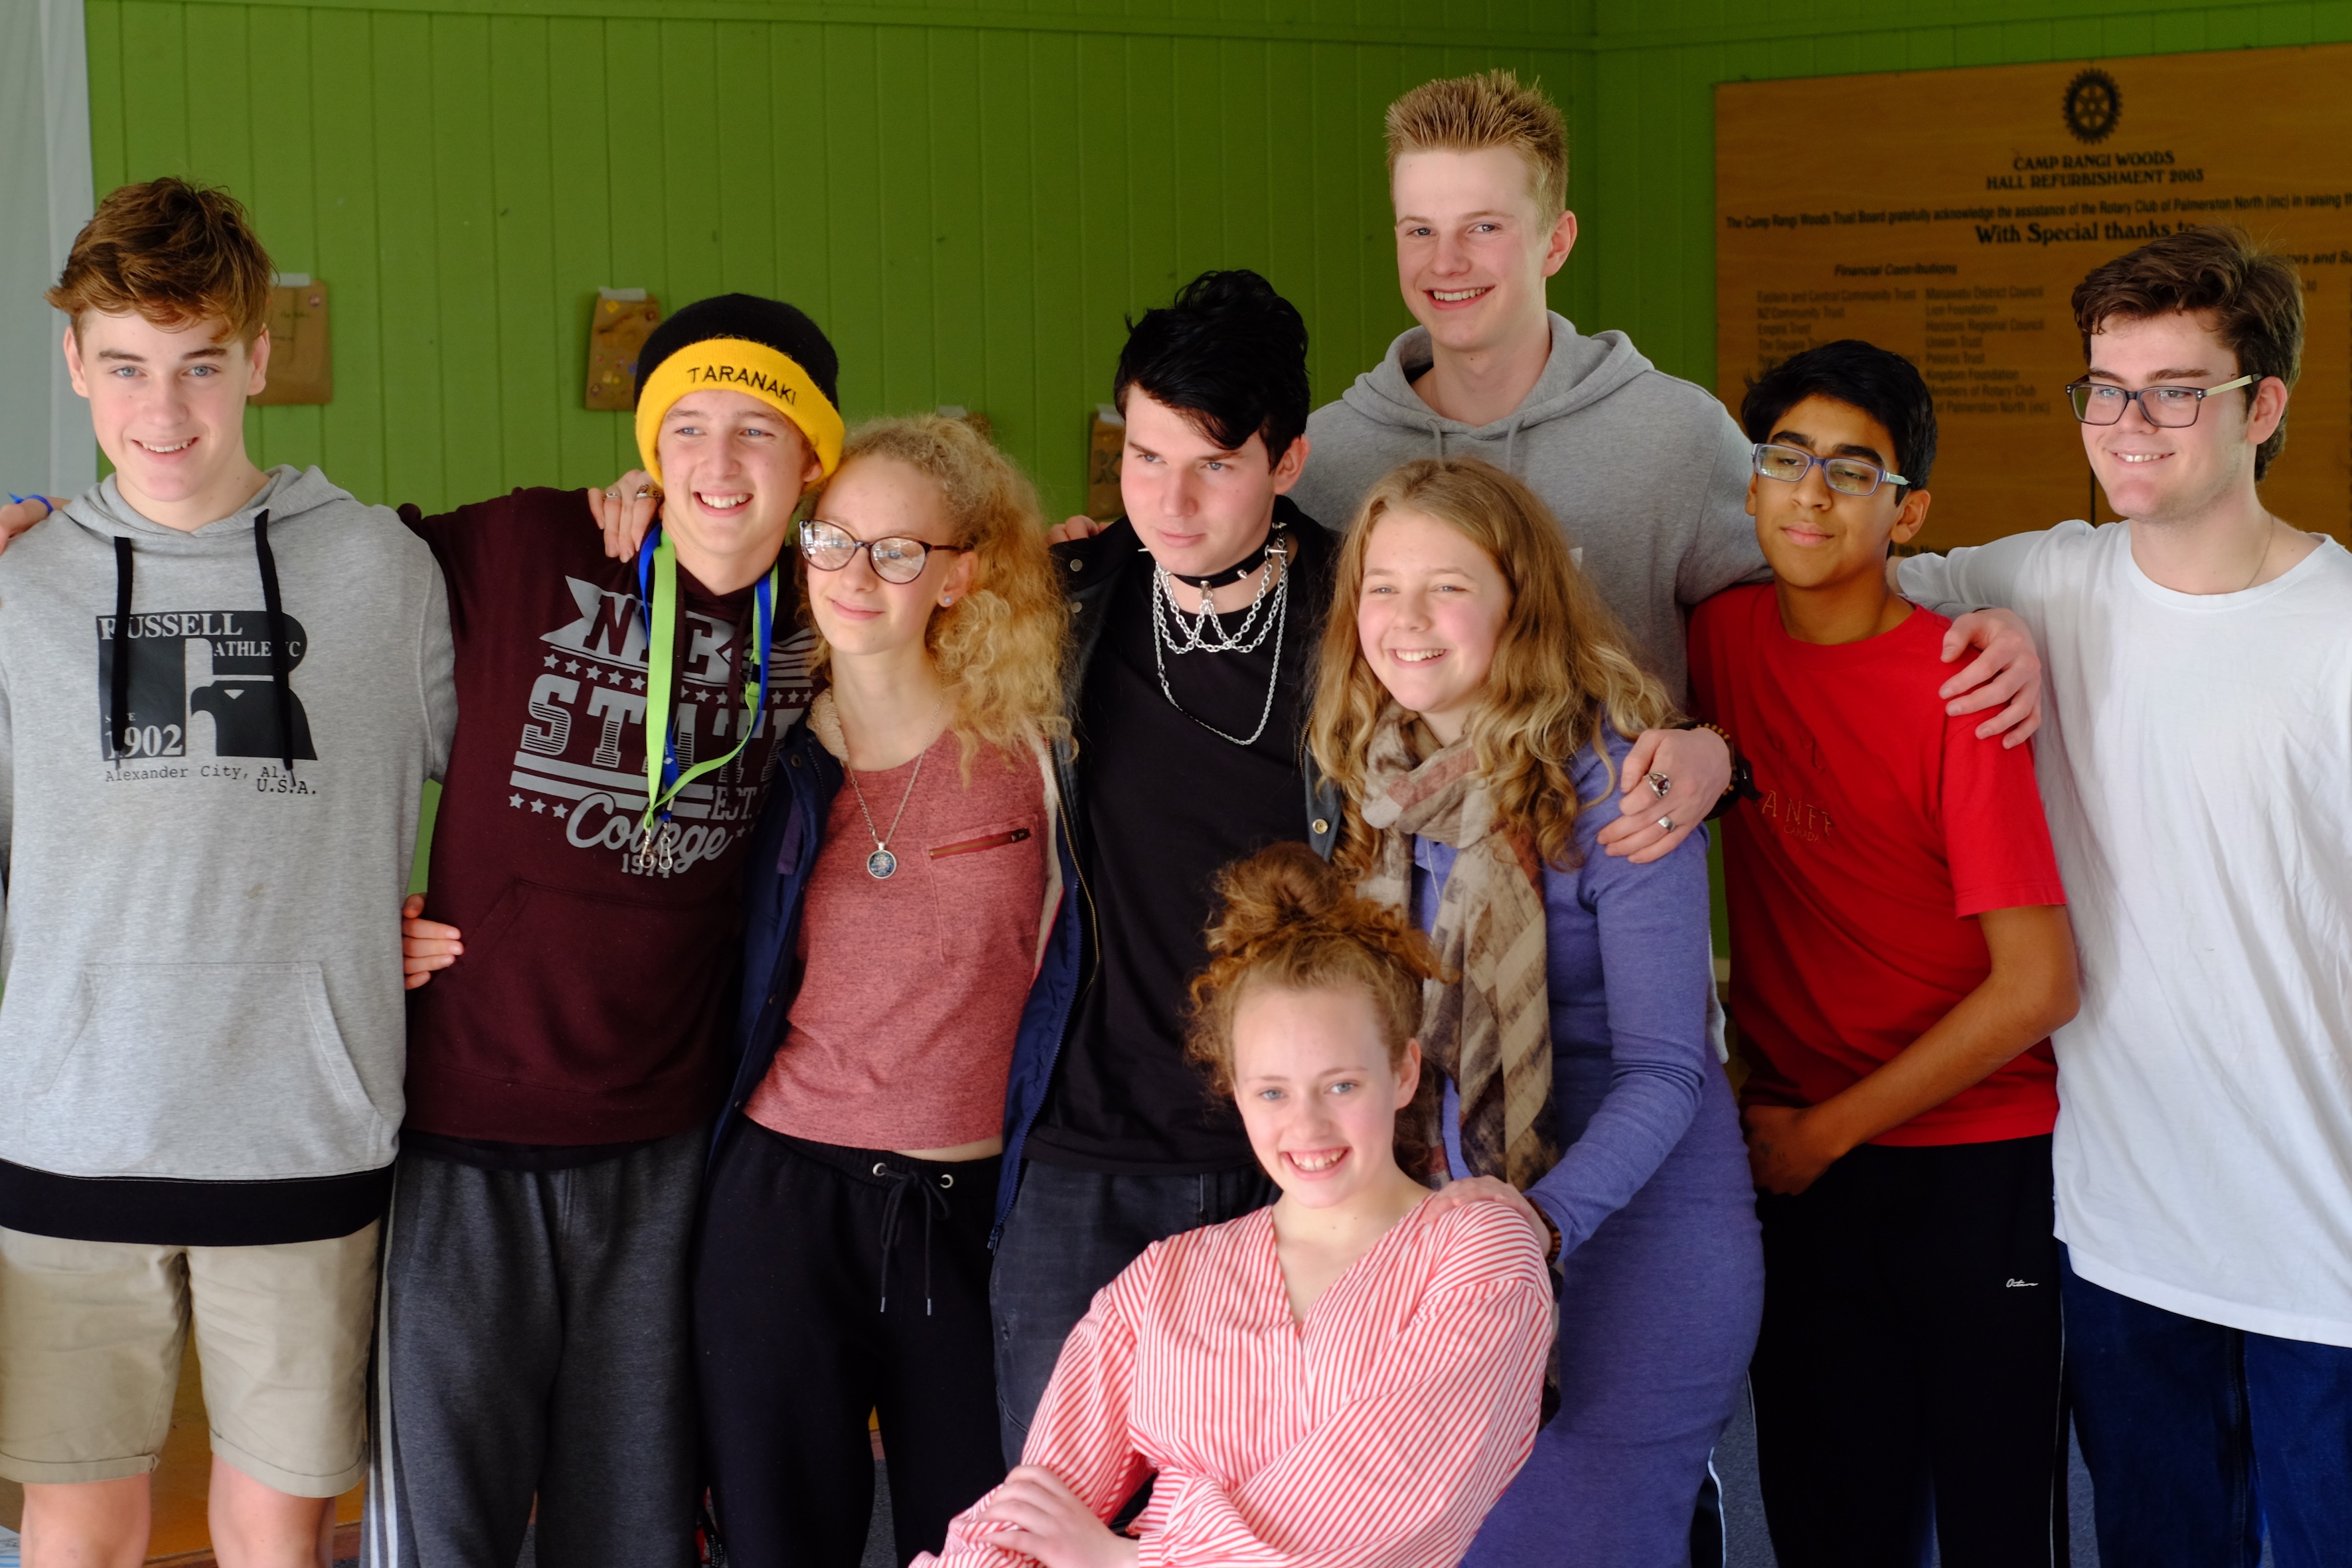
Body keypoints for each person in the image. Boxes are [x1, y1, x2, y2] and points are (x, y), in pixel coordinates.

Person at [0, 178, 455, 1567]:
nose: (164, 409)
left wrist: (433, 921)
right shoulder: (20, 586)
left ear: (259, 358)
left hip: (304, 1130)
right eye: (126, 365)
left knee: (276, 1527)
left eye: (200, 364)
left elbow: (515, 791)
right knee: (80, 1523)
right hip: (70, 1132)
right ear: (73, 361)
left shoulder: (384, 572)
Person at [1892, 226, 2352, 1568]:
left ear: (2260, 407)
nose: (2126, 424)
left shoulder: (2337, 631)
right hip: (2127, 1238)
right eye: (2103, 388)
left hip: (2326, 1240)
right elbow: (1836, 600)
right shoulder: (2040, 578)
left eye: (2172, 391)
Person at [1285, 68, 2045, 876]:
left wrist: (1969, 617)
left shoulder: (1672, 434)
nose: (1446, 262)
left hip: (1616, 885)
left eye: (1483, 227)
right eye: (1419, 230)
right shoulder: (1330, 456)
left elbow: (1821, 585)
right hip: (1385, 902)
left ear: (1556, 241)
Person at [371, 294, 839, 1568]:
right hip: (462, 1131)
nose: (717, 463)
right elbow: (308, 598)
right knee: (444, 1532)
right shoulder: (533, 542)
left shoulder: (832, 609)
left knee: (631, 1527)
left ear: (813, 458)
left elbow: (986, 578)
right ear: (647, 448)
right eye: (686, 428)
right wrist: (54, 527)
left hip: (666, 1148)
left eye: (757, 429)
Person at [1310, 455, 1762, 1567]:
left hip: (1630, 1238)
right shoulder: (1369, 783)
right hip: (1447, 1237)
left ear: (1519, 601)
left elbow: (1667, 1067)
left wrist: (1532, 1226)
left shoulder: (1614, 778)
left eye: (1447, 587)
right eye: (1381, 586)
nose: (1406, 620)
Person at [1689, 339, 2080, 1566]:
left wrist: (1822, 1133)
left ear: (1905, 513)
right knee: (1826, 1520)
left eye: (1850, 471)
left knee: (1994, 1527)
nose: (1809, 493)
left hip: (1975, 1160)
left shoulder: (1957, 684)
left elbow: (2038, 985)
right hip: (1800, 1159)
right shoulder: (1714, 640)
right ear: (1750, 483)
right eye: (1785, 459)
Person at [919, 842, 1555, 1568]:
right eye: (1272, 1091)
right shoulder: (1164, 1277)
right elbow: (1033, 1512)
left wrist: (1126, 1560)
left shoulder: (1480, 1249)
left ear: (1404, 1071)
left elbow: (1383, 1509)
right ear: (1235, 1091)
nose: (1307, 1126)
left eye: (1341, 1085)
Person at [694, 414, 1075, 1567]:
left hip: (966, 1214)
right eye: (832, 539)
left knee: (977, 1540)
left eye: (898, 550)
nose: (854, 574)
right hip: (781, 1204)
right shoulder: (762, 748)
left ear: (959, 574)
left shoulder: (1036, 749)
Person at [987, 270, 1348, 1464]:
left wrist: (1708, 751)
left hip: (1296, 1156)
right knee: (1052, 1508)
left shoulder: (1365, 618)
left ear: (1287, 462)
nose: (1170, 501)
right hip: (1082, 1142)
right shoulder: (1068, 603)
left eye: (1212, 464)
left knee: (1278, 1513)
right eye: (1143, 457)